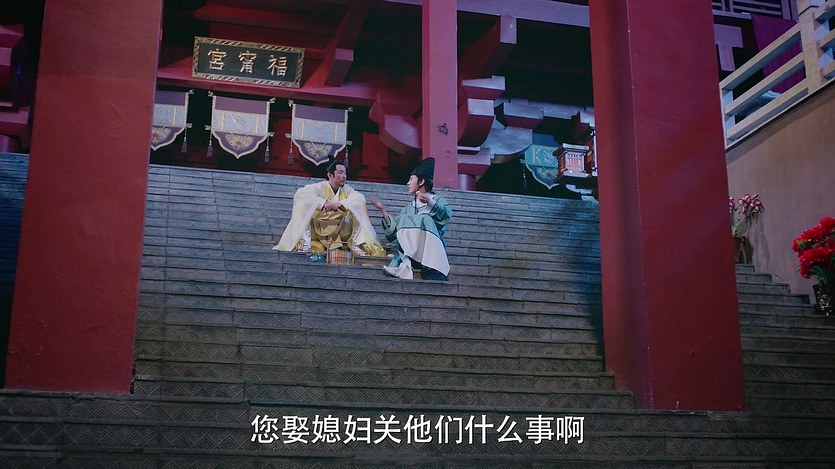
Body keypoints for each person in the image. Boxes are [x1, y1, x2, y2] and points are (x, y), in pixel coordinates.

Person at [274, 158, 385, 257]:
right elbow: (301, 194)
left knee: (358, 207)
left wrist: (342, 204)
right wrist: (323, 203)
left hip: (339, 230)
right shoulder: (320, 187)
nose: (344, 176)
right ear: (330, 175)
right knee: (302, 203)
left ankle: (358, 245)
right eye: (340, 172)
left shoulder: (347, 190)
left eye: (345, 173)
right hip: (318, 229)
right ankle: (304, 244)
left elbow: (359, 198)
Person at [371, 157, 452, 280]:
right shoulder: (408, 208)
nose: (408, 183)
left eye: (411, 179)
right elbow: (394, 231)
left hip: (429, 252)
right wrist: (383, 210)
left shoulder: (437, 200)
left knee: (425, 219)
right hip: (410, 252)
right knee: (405, 219)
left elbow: (446, 215)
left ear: (421, 182)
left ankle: (432, 267)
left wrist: (430, 202)